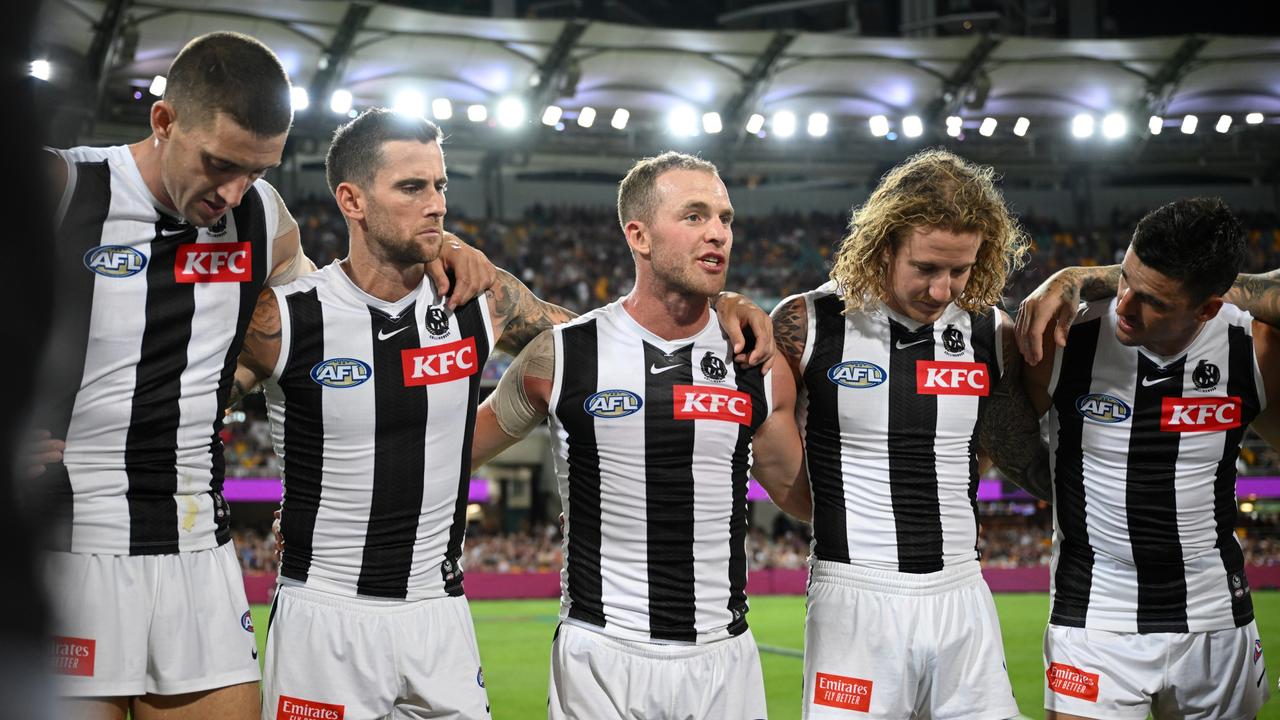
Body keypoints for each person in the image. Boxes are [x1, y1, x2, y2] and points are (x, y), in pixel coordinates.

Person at [236, 117, 776, 720]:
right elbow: (185, 409)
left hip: (439, 611)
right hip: (324, 610)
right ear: (351, 200)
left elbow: (610, 345)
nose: (437, 204)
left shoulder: (478, 300)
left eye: (441, 185)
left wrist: (718, 303)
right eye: (413, 188)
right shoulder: (283, 321)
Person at [34, 32, 494, 720]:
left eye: (255, 169)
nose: (231, 191)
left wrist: (437, 239)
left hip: (198, 548)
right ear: (164, 121)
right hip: (69, 546)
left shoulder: (261, 216)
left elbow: (324, 332)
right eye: (219, 164)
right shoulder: (66, 187)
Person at [470, 151, 812, 720]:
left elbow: (802, 497)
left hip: (723, 655)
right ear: (639, 235)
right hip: (601, 654)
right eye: (695, 216)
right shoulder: (561, 355)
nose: (718, 234)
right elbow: (447, 457)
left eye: (725, 219)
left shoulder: (756, 359)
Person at [769, 148, 1043, 719]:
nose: (942, 290)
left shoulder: (991, 332)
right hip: (855, 597)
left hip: (962, 590)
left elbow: (1003, 450)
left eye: (960, 270)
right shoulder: (810, 323)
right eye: (926, 268)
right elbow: (768, 452)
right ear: (884, 244)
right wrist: (841, 512)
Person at [1014, 198, 1277, 719]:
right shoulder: (1067, 336)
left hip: (1214, 616)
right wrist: (1079, 278)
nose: (1125, 305)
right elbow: (1001, 436)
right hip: (1093, 611)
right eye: (1124, 279)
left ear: (1207, 306)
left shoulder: (1254, 345)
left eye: (1152, 299)